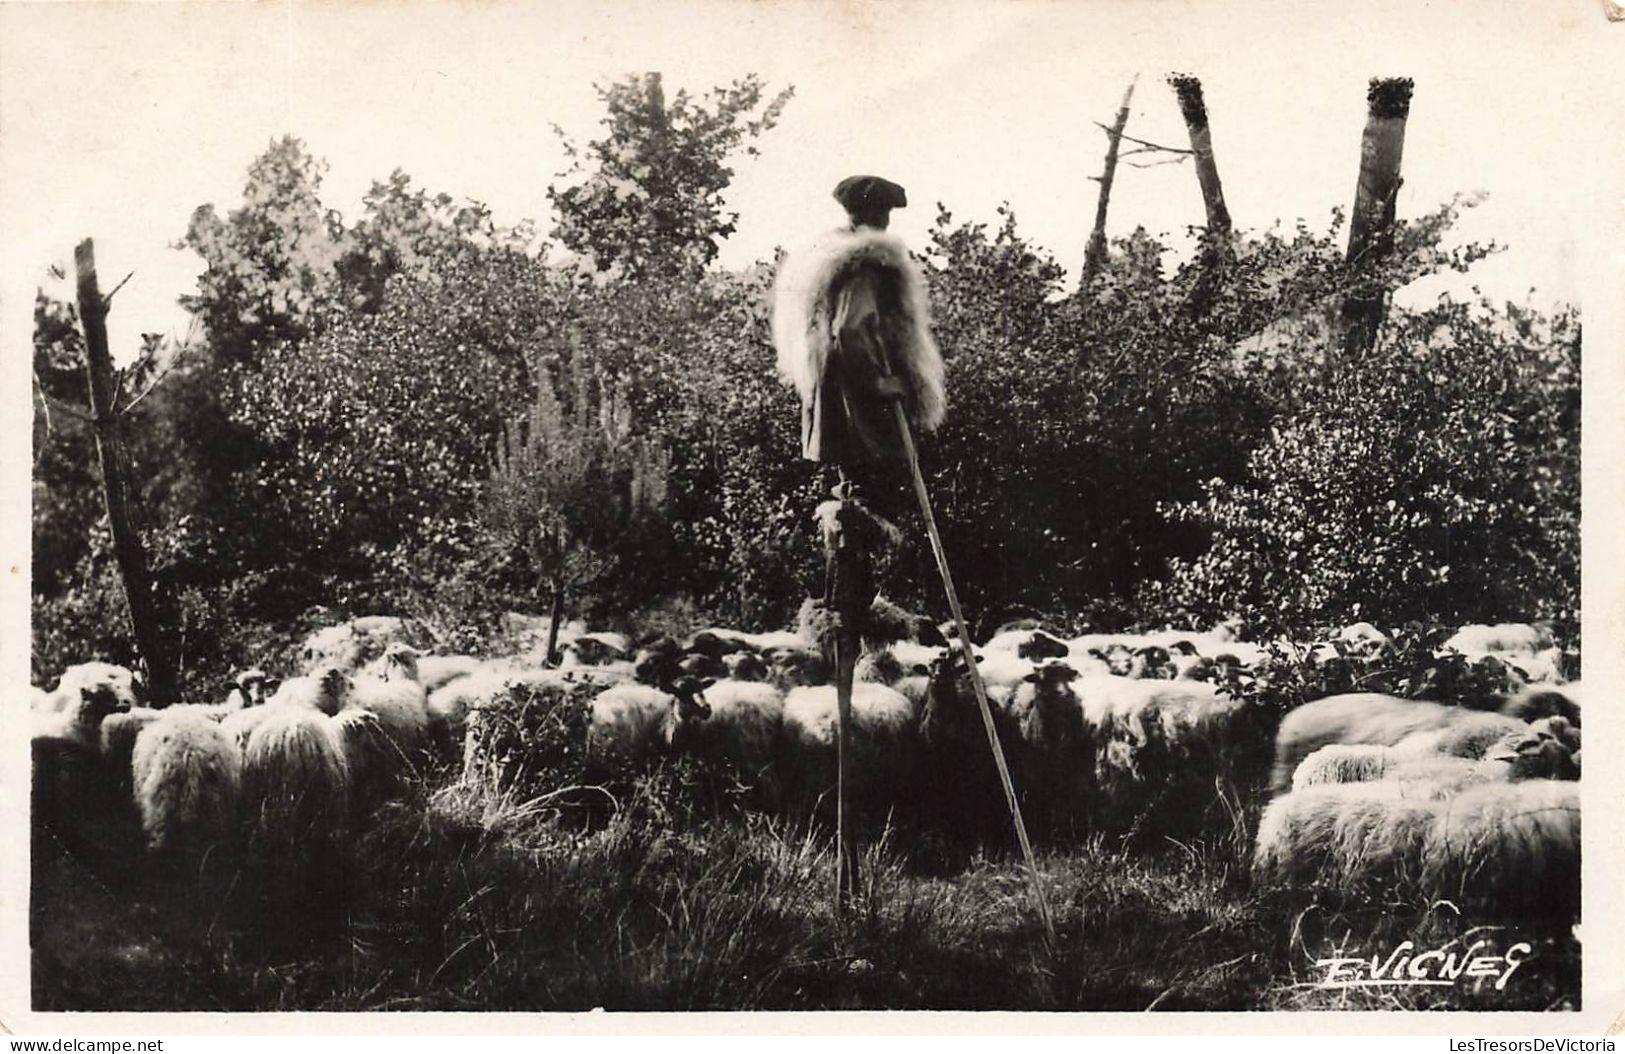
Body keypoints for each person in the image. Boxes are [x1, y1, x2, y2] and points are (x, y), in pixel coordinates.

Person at [772, 175, 946, 468]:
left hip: (839, 392)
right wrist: (879, 382)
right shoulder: (863, 268)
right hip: (857, 401)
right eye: (883, 212)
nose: (886, 222)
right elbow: (849, 330)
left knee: (855, 486)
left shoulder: (828, 264)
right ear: (874, 215)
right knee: (869, 489)